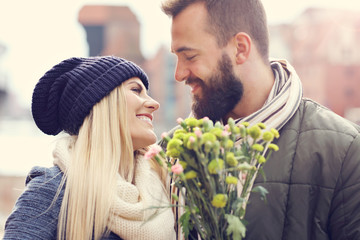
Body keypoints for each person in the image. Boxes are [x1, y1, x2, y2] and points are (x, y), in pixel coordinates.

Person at [160, 0, 360, 239]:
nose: (179, 74)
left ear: (241, 48)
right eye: (177, 58)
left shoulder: (344, 152)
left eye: (190, 56)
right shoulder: (170, 150)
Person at [3, 56, 176, 240]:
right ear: (101, 104)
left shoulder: (167, 187)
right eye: (135, 90)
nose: (154, 103)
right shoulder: (52, 190)